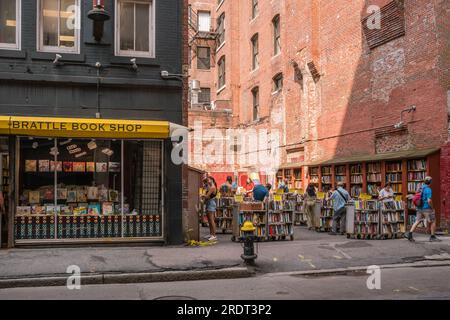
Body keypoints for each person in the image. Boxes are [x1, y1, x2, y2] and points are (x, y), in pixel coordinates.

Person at [405, 176, 441, 242]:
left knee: (417, 221)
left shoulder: (420, 188)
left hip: (419, 207)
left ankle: (410, 234)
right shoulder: (428, 189)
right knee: (433, 221)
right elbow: (429, 200)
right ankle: (432, 237)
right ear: (430, 182)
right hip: (427, 208)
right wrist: (432, 208)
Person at [203, 176, 218, 241]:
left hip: (211, 203)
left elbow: (207, 196)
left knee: (211, 220)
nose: (208, 181)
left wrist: (202, 195)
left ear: (212, 180)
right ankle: (211, 234)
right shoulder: (210, 186)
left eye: (209, 180)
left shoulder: (212, 187)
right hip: (209, 203)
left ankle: (214, 235)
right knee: (209, 220)